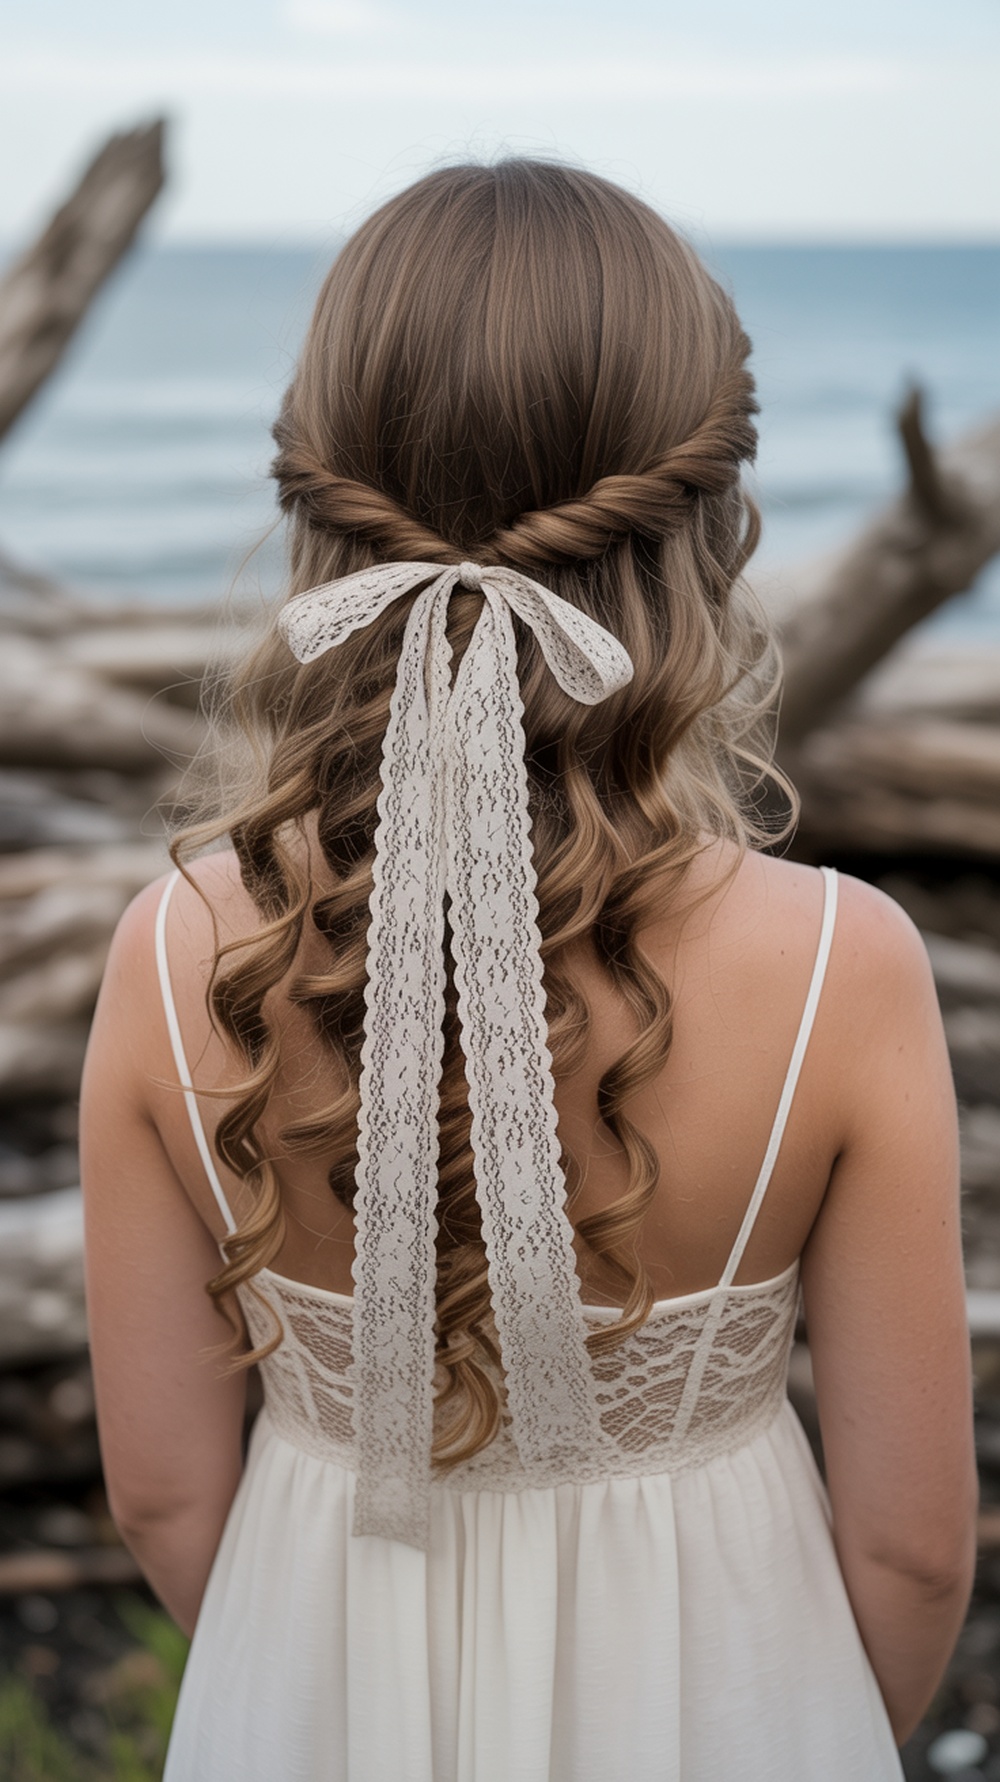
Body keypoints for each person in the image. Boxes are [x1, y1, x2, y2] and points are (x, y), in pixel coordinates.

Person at [80, 160, 977, 1781]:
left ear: (320, 504)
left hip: (318, 1699)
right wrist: (811, 1720)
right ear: (710, 519)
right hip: (728, 1705)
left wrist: (304, 1681)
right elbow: (913, 1548)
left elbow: (158, 1489)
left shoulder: (171, 955)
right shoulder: (844, 965)